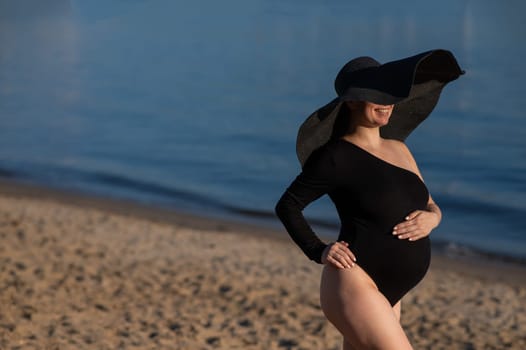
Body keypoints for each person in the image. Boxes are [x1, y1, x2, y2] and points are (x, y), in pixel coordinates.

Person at [275, 49, 463, 349]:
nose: (387, 103)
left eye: (389, 94)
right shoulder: (334, 157)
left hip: (391, 290)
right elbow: (287, 206)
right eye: (377, 95)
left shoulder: (400, 149)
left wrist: (433, 219)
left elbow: (429, 204)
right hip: (355, 281)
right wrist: (319, 250)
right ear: (351, 101)